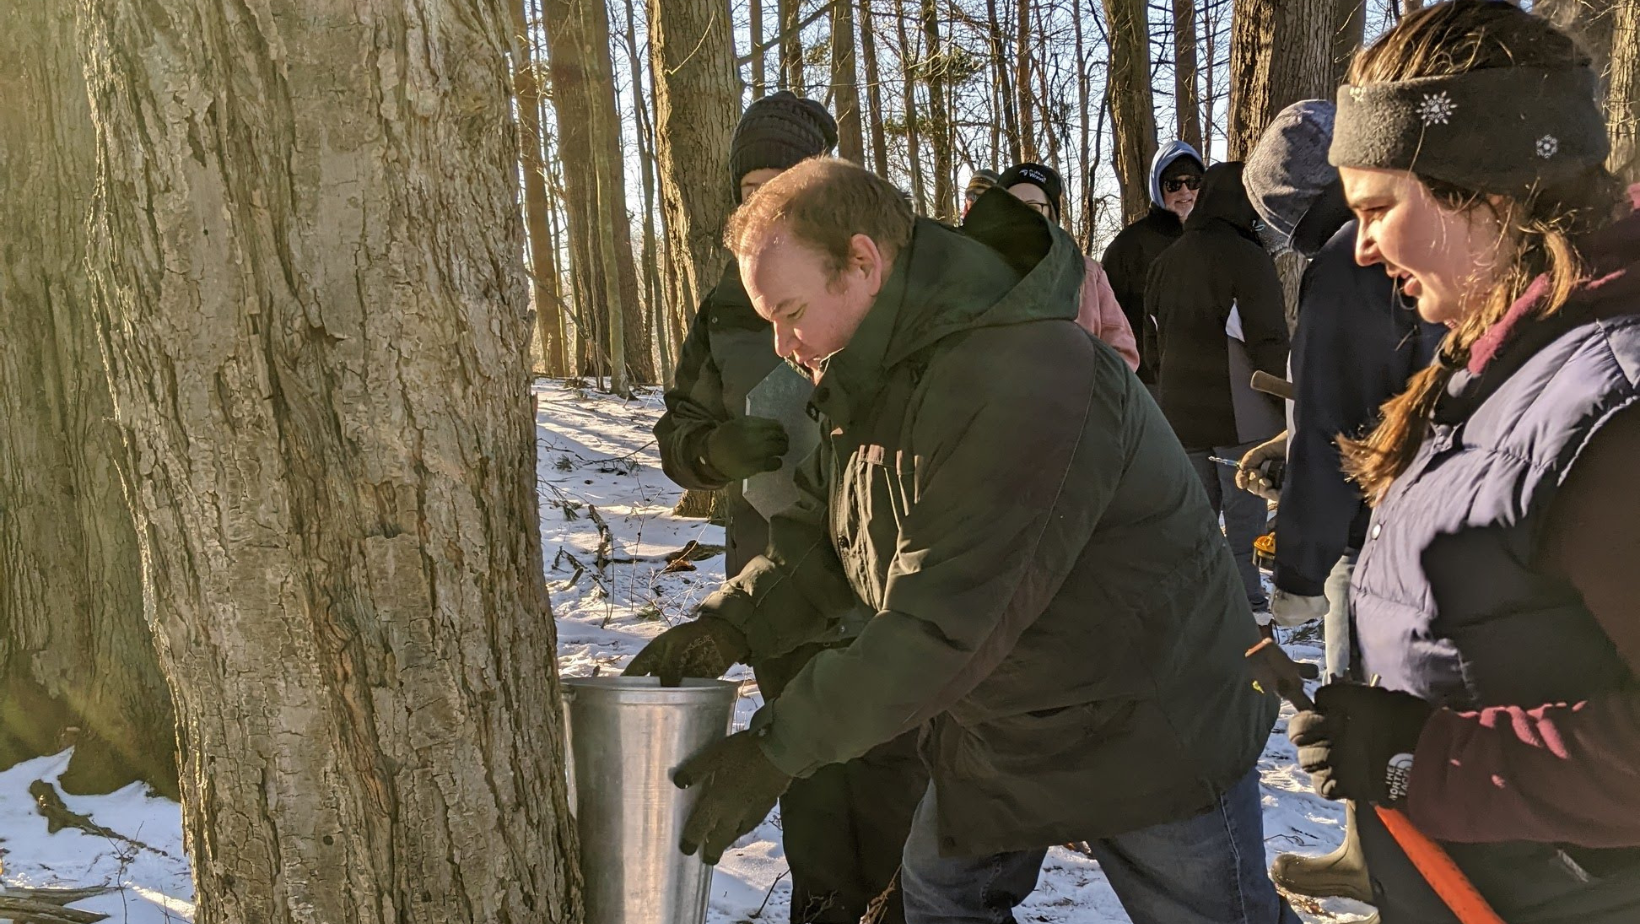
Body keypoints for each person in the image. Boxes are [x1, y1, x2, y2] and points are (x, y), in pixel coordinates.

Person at [628, 157, 1294, 924]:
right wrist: (731, 625)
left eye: (789, 311)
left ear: (863, 263)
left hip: (1146, 716)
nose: (781, 344)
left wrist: (778, 749)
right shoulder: (873, 369)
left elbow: (940, 618)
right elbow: (832, 538)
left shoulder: (1021, 372)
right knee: (944, 897)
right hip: (1005, 723)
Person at [1285, 3, 1640, 921]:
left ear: (1484, 189)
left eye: (1378, 210)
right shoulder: (1502, 360)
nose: (1362, 247)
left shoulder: (1612, 406)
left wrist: (1427, 756)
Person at [651, 92, 927, 924]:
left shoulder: (886, 301)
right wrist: (712, 455)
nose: (763, 201)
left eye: (783, 183)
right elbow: (680, 429)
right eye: (750, 186)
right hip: (779, 571)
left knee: (887, 782)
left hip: (886, 587)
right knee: (809, 791)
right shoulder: (725, 306)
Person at [1239, 98, 1447, 919]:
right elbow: (1381, 398)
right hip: (1426, 502)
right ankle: (1372, 850)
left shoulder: (1341, 262)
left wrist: (1295, 565)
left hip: (1378, 532)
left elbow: (1330, 426)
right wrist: (1288, 447)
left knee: (1362, 704)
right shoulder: (1410, 242)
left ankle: (1391, 866)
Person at [1146, 162, 1289, 618]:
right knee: (1245, 529)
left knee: (1193, 528)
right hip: (1240, 420)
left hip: (1180, 420)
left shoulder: (1164, 263)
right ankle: (1251, 619)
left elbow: (1151, 345)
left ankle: (1194, 616)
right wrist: (1287, 402)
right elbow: (1266, 338)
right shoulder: (1246, 258)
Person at [995, 162, 1141, 370]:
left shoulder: (1088, 274)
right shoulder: (982, 274)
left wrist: (1086, 392)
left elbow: (1123, 354)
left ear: (1051, 214)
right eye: (1011, 206)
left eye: (1032, 207)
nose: (1021, 215)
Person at [1103, 141, 1205, 382]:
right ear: (1159, 189)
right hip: (1148, 382)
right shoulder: (1127, 246)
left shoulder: (1213, 239)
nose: (1185, 192)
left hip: (1204, 385)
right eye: (1173, 184)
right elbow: (1107, 320)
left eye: (1193, 183)